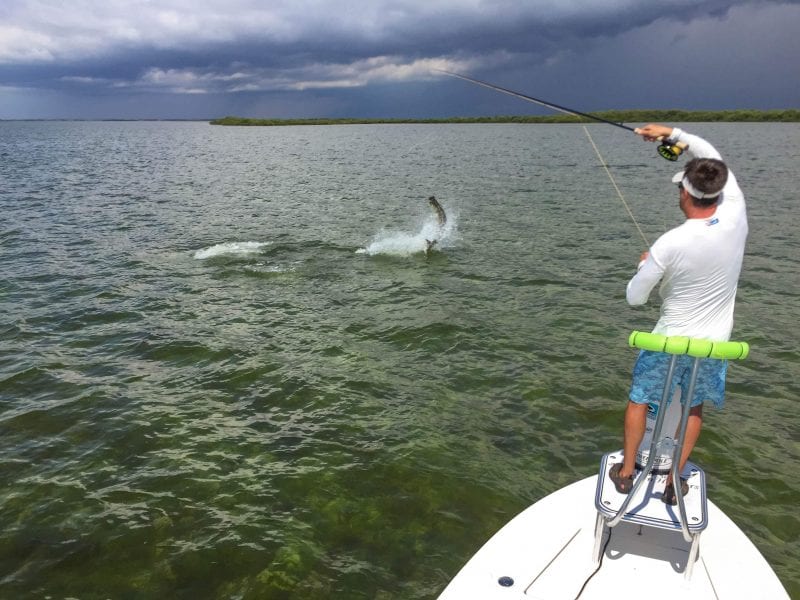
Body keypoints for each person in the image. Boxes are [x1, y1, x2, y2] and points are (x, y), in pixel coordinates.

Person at [608, 124, 748, 504]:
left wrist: (645, 267)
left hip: (667, 340)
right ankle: (674, 479)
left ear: (685, 193)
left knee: (640, 399)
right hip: (713, 346)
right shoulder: (735, 213)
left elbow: (635, 299)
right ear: (717, 192)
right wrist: (671, 133)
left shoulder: (670, 243)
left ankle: (626, 471)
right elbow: (708, 152)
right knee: (693, 405)